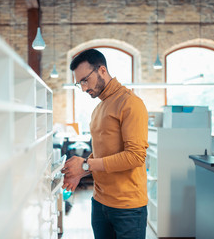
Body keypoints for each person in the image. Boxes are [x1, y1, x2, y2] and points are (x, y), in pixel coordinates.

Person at [61, 49, 149, 239]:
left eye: (85, 80)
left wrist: (86, 164)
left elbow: (135, 156)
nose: (83, 88)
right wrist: (81, 172)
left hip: (127, 208)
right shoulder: (98, 108)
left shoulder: (130, 103)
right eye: (79, 84)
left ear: (102, 70)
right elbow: (103, 155)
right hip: (100, 203)